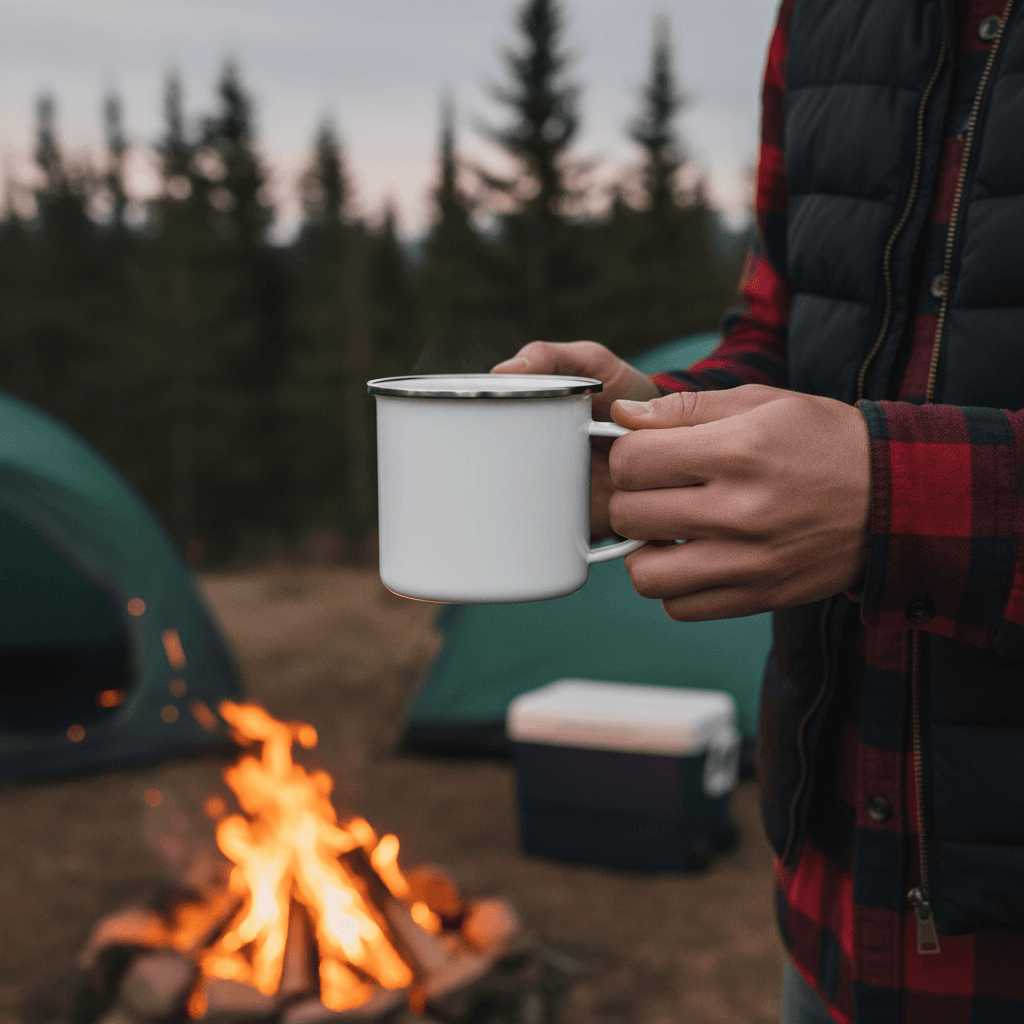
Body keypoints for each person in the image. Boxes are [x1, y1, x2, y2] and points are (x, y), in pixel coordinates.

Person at [493, 0, 1024, 1021]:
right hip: (834, 914)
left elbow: (865, 464)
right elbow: (781, 329)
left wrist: (886, 494)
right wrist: (652, 424)